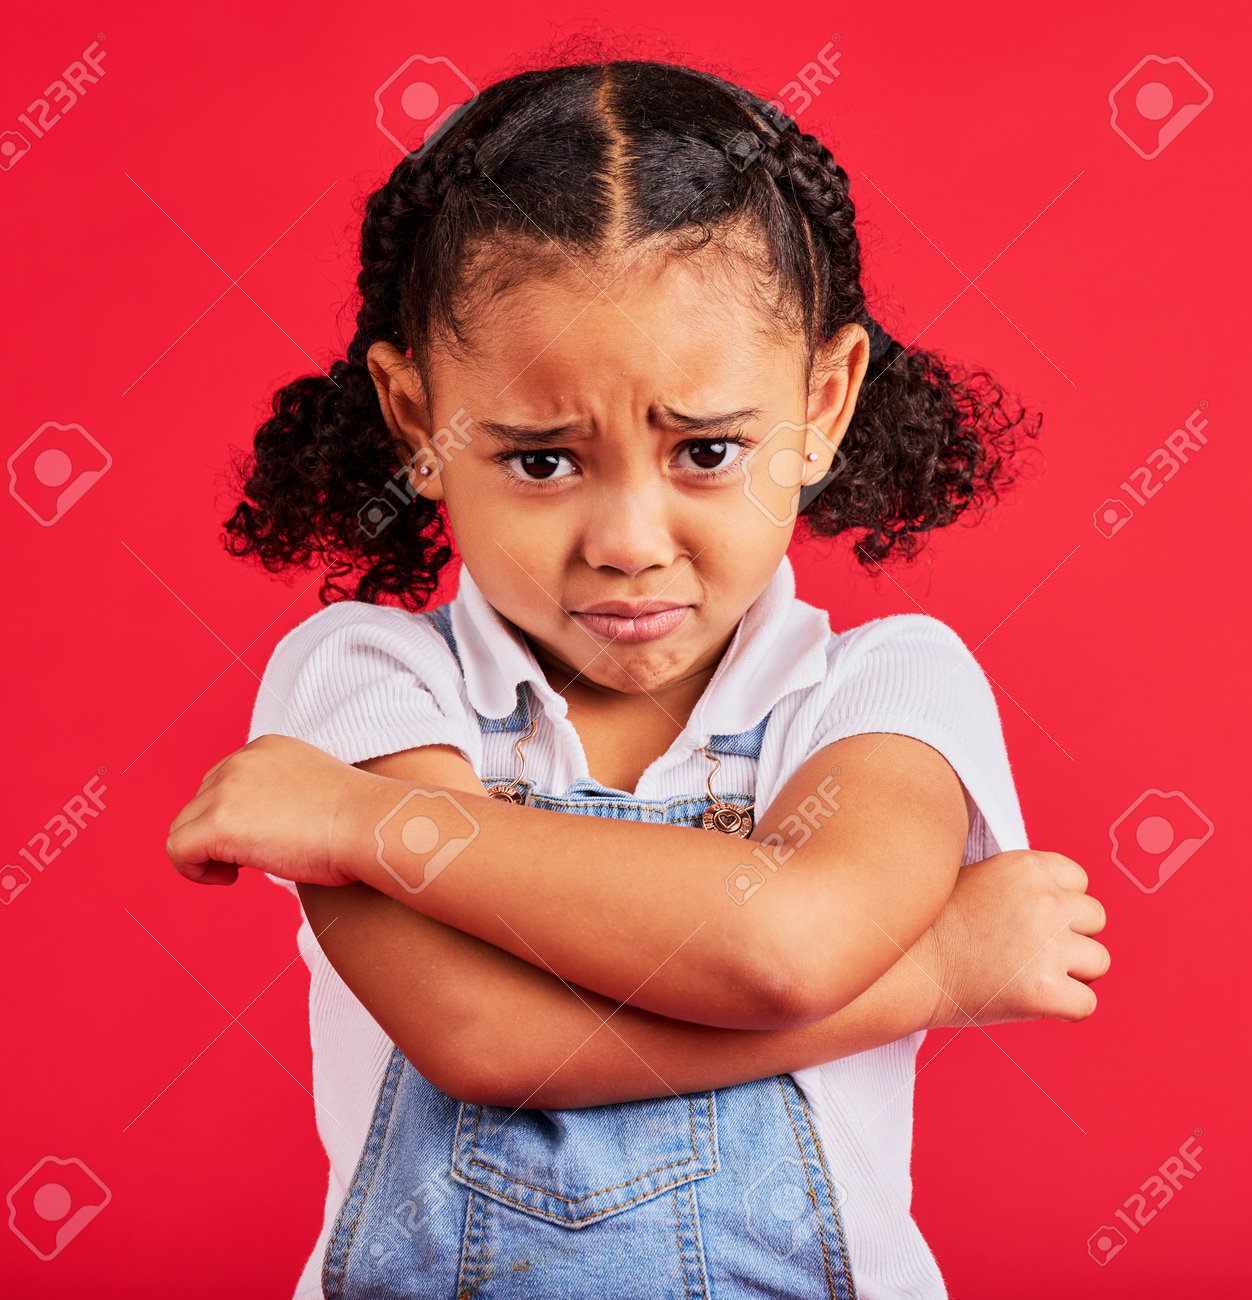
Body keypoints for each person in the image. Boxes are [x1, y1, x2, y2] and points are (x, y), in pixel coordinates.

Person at [166, 56, 1110, 1300]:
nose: (624, 537)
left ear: (822, 402)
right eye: (543, 460)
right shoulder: (366, 679)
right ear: (419, 421)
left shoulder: (881, 689)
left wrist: (357, 823)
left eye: (706, 449)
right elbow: (485, 1038)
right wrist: (931, 970)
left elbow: (788, 942)